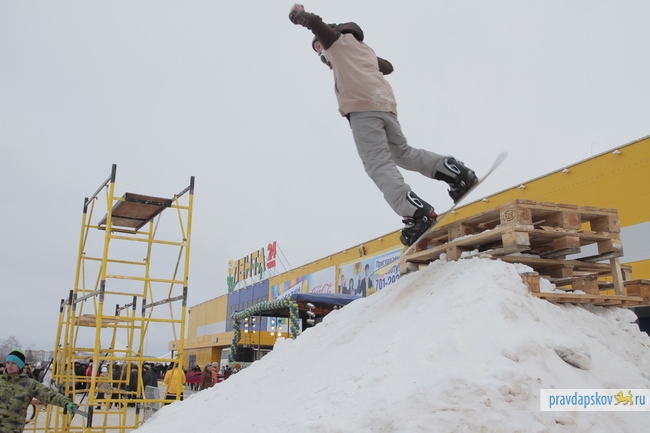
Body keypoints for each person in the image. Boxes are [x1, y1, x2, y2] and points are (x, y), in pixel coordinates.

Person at [288, 4, 478, 246]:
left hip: (362, 108)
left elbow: (315, 23)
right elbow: (387, 67)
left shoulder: (335, 41)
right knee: (402, 153)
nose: (320, 52)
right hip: (385, 104)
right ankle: (456, 173)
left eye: (319, 46)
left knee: (377, 163)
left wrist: (297, 16)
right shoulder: (362, 49)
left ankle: (416, 213)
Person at [0, 349, 78, 433]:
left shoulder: (29, 384)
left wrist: (66, 402)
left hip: (11, 429)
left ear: (20, 365)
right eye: (8, 363)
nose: (9, 366)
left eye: (13, 363)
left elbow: (48, 394)